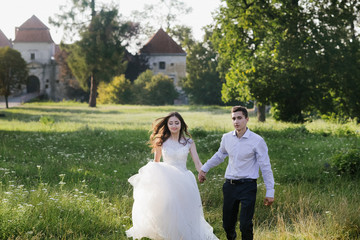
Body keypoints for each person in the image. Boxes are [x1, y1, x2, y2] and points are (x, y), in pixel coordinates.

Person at [126, 112, 218, 240]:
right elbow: (156, 162)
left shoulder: (189, 142)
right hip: (167, 179)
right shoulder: (161, 142)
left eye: (176, 123)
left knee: (185, 210)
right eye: (171, 123)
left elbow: (197, 162)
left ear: (181, 124)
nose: (174, 126)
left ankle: (184, 235)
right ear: (167, 125)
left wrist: (201, 172)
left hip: (184, 179)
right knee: (168, 210)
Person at [198, 106, 275, 240]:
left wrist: (270, 191)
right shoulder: (227, 138)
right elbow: (219, 155)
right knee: (227, 225)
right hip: (230, 186)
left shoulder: (257, 141)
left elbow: (265, 167)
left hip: (248, 186)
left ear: (247, 119)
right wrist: (204, 169)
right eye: (233, 118)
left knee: (245, 225)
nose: (236, 121)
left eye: (239, 118)